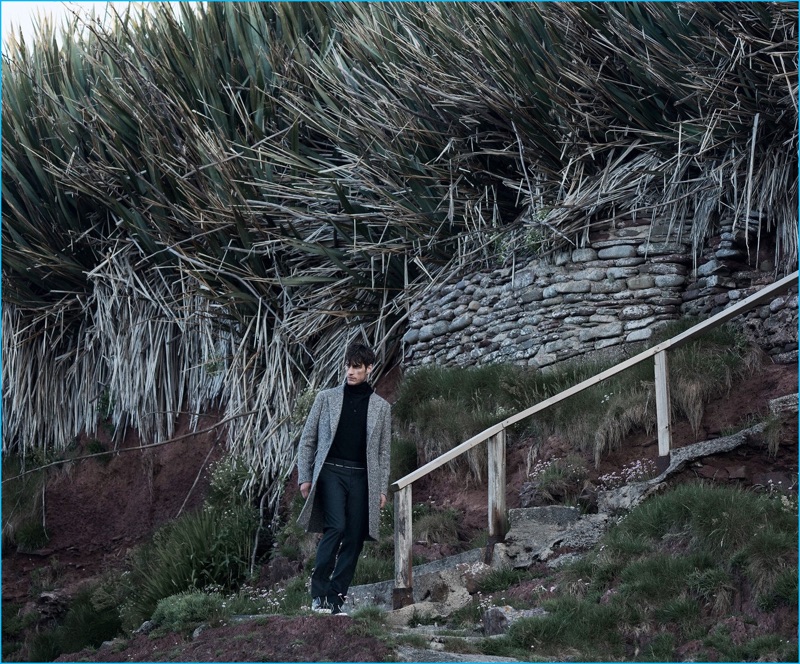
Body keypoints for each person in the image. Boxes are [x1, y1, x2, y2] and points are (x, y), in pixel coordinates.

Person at [296, 342, 392, 615]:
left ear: (369, 369)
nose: (350, 372)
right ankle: (318, 595)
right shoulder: (326, 398)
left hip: (363, 478)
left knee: (354, 537)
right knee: (335, 527)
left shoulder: (382, 408)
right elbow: (308, 440)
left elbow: (384, 452)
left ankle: (335, 601)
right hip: (331, 472)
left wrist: (381, 489)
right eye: (348, 366)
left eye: (356, 367)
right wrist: (305, 477)